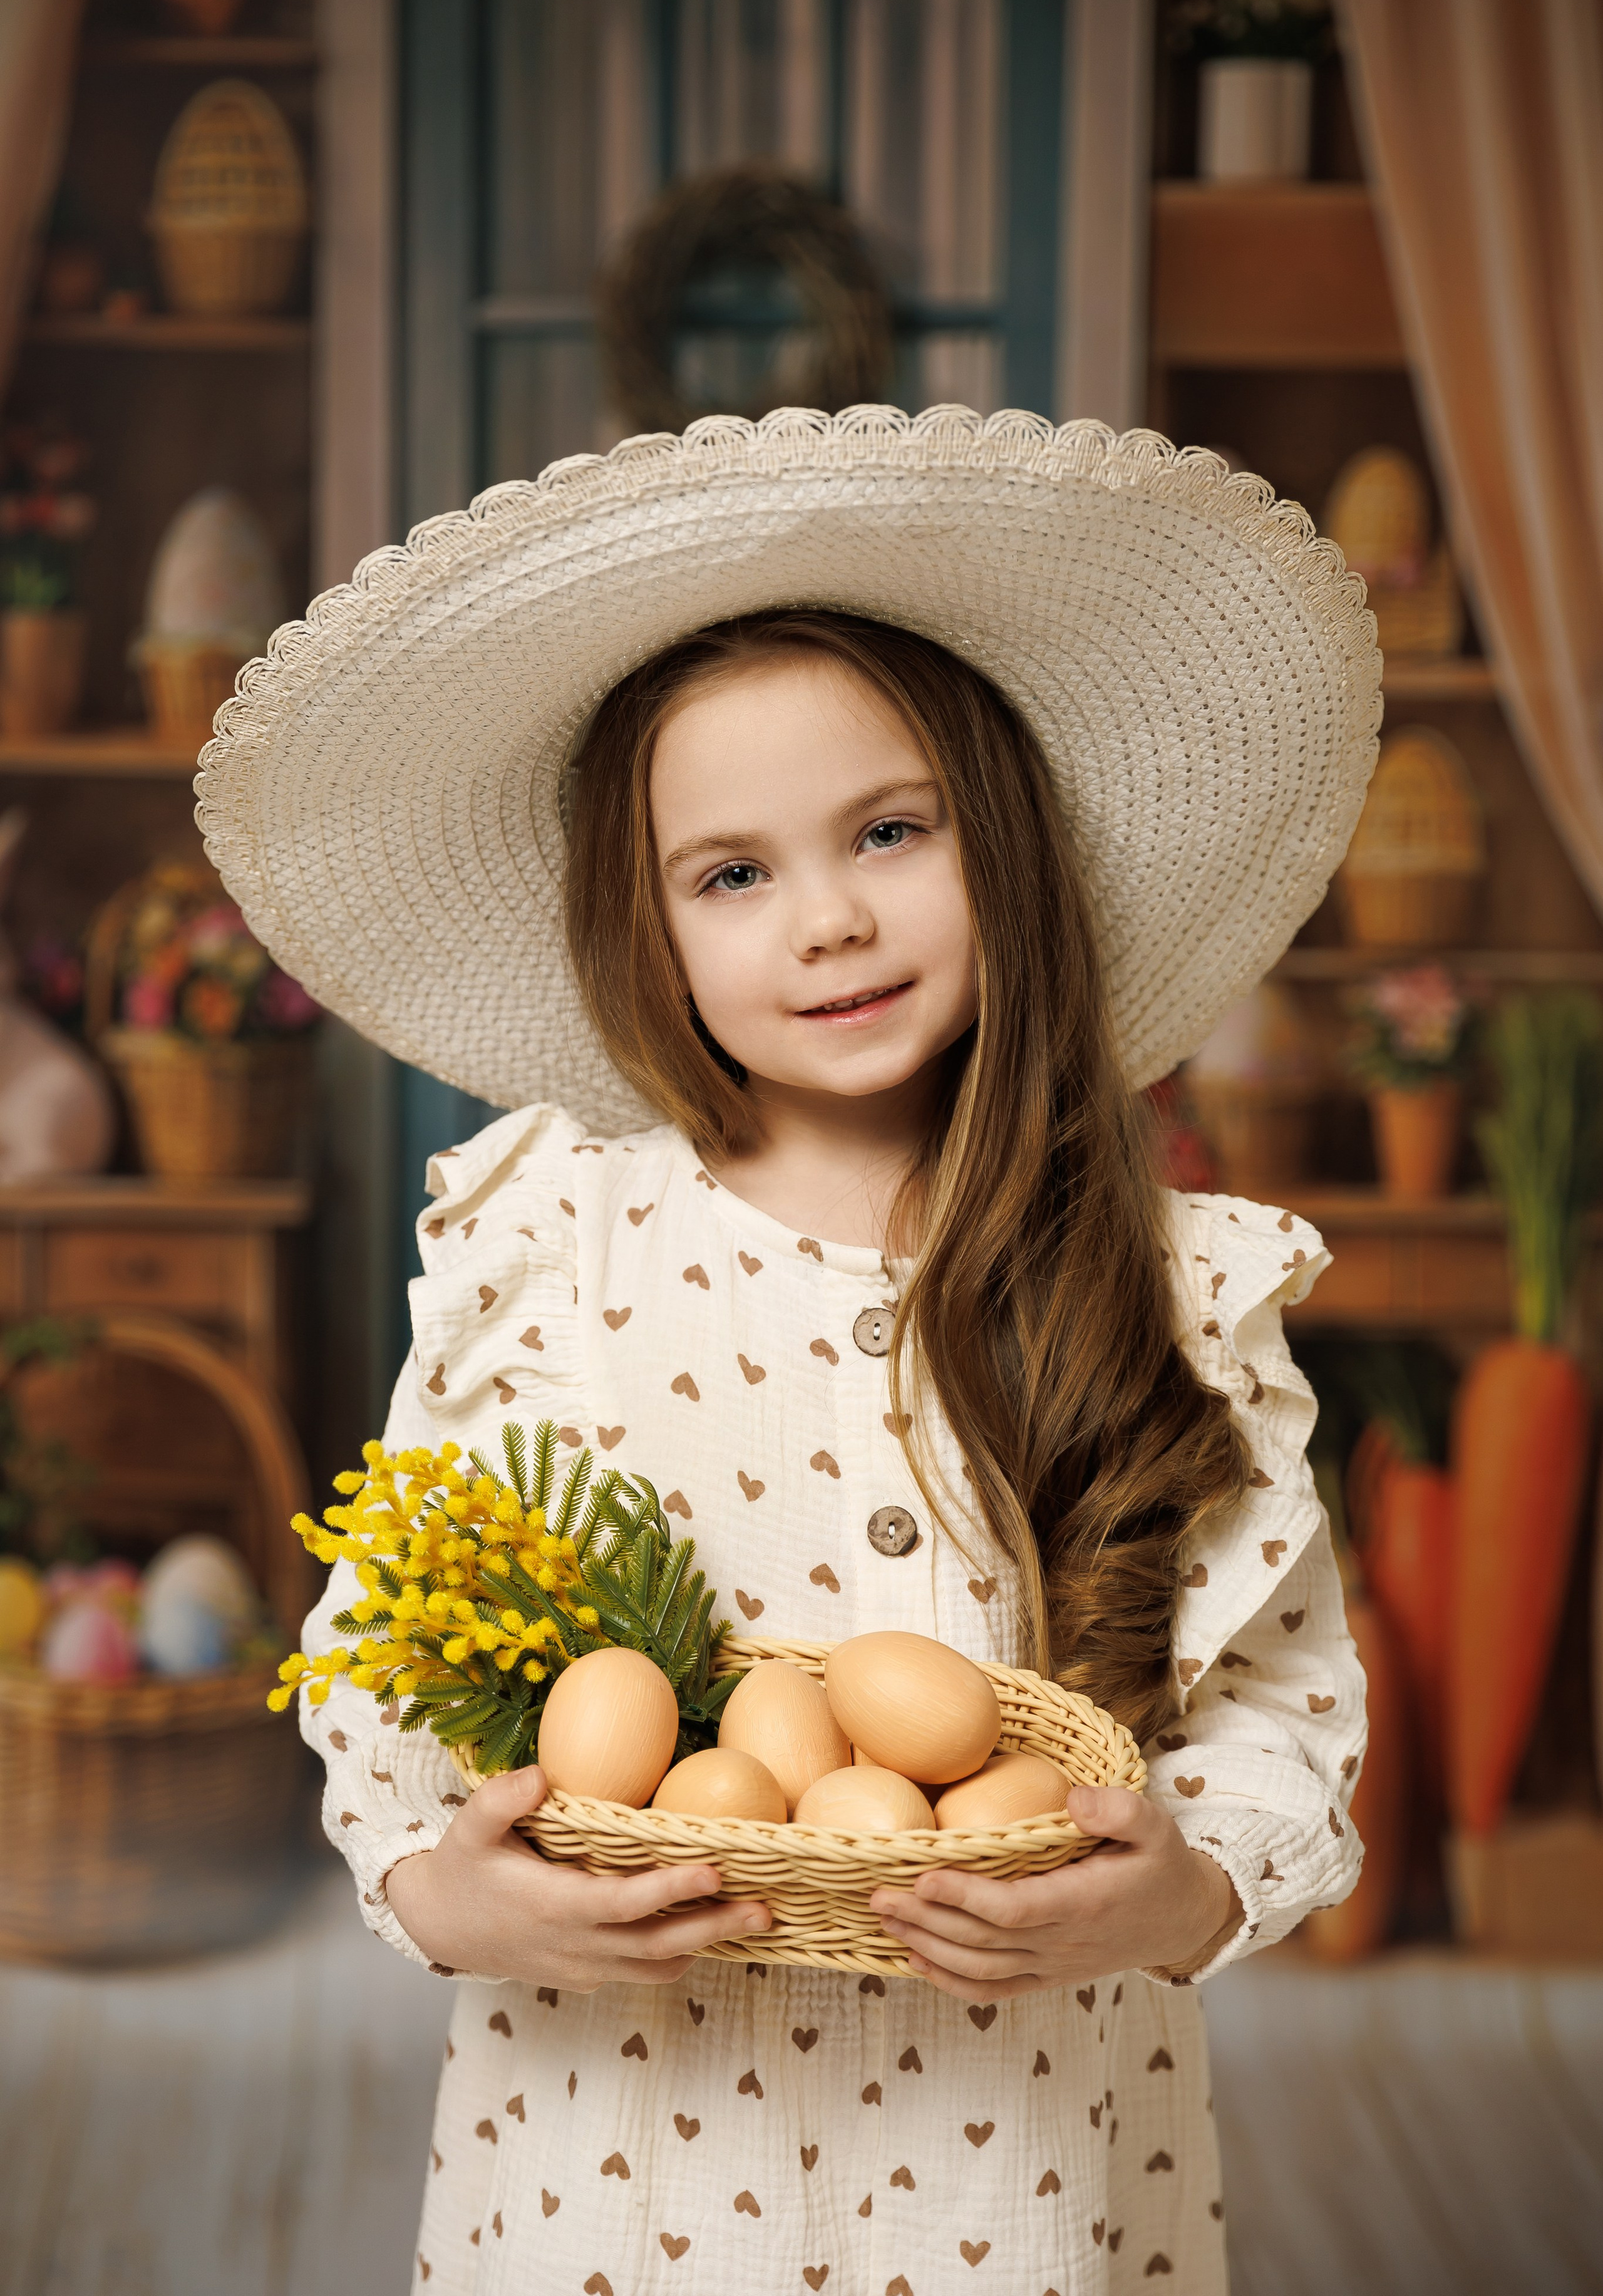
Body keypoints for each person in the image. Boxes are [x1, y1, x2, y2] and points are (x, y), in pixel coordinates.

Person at [199, 407, 1379, 2294]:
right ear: (643, 928)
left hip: (1026, 2166)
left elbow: (1280, 1700)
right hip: (616, 2162)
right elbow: (385, 1651)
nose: (828, 920)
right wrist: (447, 1883)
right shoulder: (552, 1249)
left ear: (1003, 840)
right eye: (729, 874)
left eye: (890, 833)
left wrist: (1184, 1889)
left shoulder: (1160, 1282)